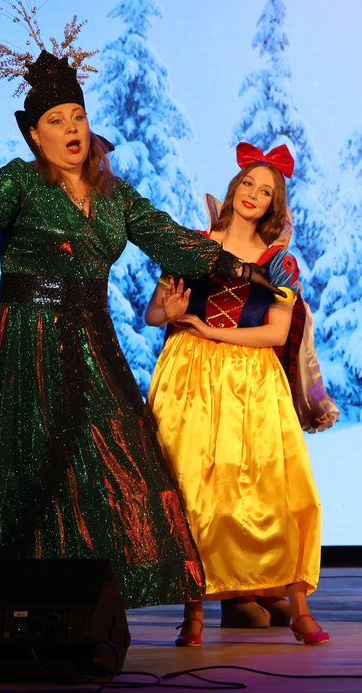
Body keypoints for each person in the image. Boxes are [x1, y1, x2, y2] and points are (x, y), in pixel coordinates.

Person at [0, 50, 268, 608]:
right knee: (22, 465)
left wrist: (235, 266)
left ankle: (88, 599)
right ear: (35, 136)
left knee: (123, 454)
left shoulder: (114, 195)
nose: (71, 129)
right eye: (56, 121)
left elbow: (164, 235)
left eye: (77, 117)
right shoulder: (20, 182)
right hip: (28, 339)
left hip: (93, 340)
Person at [145, 142, 327, 646]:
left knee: (279, 489)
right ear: (234, 187)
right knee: (194, 490)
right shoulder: (192, 245)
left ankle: (299, 608)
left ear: (273, 204)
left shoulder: (279, 263)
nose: (253, 195)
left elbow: (276, 332)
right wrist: (170, 311)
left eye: (265, 191)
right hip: (190, 376)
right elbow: (154, 314)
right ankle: (194, 614)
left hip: (251, 377)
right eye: (248, 183)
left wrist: (213, 330)